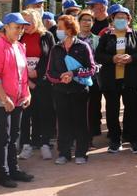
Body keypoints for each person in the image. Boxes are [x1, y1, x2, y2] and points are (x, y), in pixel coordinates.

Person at [0, 12, 34, 188]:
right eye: (16, 27)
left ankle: (14, 169)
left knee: (15, 136)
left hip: (18, 99)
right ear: (6, 27)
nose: (19, 31)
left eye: (21, 28)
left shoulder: (19, 46)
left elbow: (23, 74)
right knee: (4, 137)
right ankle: (3, 174)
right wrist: (5, 98)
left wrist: (27, 92)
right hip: (2, 100)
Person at [94, 5, 137, 154]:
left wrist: (131, 58)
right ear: (112, 19)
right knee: (112, 110)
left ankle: (133, 139)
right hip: (111, 80)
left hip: (130, 79)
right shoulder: (106, 35)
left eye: (124, 17)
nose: (121, 20)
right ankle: (115, 140)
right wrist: (112, 58)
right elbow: (98, 56)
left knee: (132, 110)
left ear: (129, 19)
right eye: (118, 17)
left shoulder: (136, 35)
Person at [46, 15, 96, 165]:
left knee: (80, 122)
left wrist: (73, 73)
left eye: (60, 27)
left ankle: (81, 153)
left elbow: (92, 69)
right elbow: (49, 72)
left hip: (79, 92)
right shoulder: (56, 48)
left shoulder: (83, 46)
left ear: (69, 29)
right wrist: (61, 77)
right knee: (62, 123)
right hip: (60, 92)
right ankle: (64, 153)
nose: (58, 30)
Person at [18, 9, 57, 162]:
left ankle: (45, 143)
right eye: (24, 22)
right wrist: (27, 80)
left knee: (45, 113)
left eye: (29, 22)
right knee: (26, 115)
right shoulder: (20, 37)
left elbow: (51, 58)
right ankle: (26, 145)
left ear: (37, 21)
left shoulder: (47, 36)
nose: (26, 25)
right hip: (24, 82)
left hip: (44, 82)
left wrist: (38, 74)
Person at [76, 9, 103, 142]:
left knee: (93, 108)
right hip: (76, 80)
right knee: (78, 108)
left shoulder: (97, 39)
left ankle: (90, 137)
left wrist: (96, 67)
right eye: (84, 20)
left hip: (93, 79)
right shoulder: (73, 39)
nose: (86, 22)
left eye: (89, 20)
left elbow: (101, 59)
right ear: (79, 22)